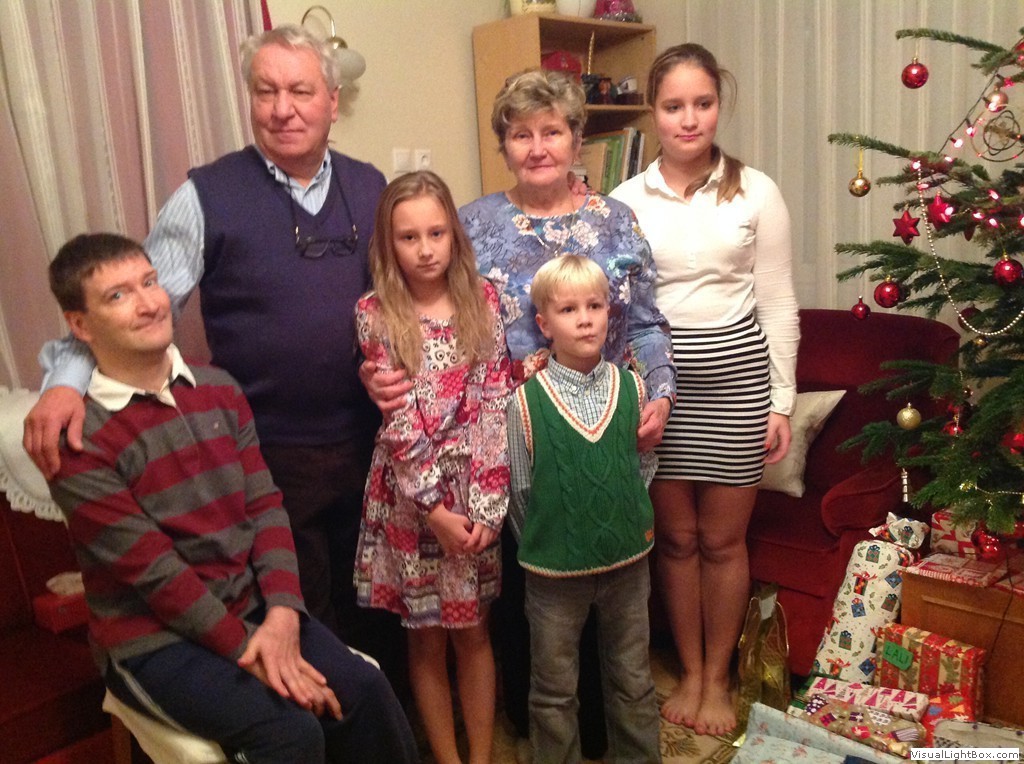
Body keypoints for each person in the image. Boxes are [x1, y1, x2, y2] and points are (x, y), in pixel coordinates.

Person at [23, 25, 398, 672]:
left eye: (301, 91)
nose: (282, 109)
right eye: (266, 91)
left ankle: (389, 721)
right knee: (309, 622)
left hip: (373, 441)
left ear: (333, 102)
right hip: (270, 454)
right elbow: (135, 310)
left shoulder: (372, 187)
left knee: (379, 606)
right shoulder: (207, 195)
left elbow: (406, 305)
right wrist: (63, 381)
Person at [365, 68, 675, 756]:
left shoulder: (616, 221)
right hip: (507, 441)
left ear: (576, 139)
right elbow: (425, 320)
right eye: (521, 134)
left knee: (615, 601)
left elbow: (647, 323)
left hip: (606, 426)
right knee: (537, 604)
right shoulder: (474, 225)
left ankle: (609, 732)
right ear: (504, 144)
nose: (538, 147)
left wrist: (659, 390)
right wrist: (378, 369)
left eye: (552, 132)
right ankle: (539, 732)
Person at [44, 233, 419, 764]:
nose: (149, 303)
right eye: (118, 295)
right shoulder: (78, 438)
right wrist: (249, 652)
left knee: (366, 690)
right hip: (153, 641)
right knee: (291, 732)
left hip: (255, 608)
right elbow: (156, 575)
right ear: (80, 325)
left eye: (150, 282)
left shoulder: (219, 388)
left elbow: (265, 509)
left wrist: (284, 612)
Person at [611, 43, 799, 736]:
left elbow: (777, 302)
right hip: (657, 392)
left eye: (703, 103)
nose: (689, 119)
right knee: (676, 540)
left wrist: (782, 400)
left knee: (721, 541)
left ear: (719, 104)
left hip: (738, 388)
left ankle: (717, 679)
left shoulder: (757, 191)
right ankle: (688, 672)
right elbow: (616, 308)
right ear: (652, 111)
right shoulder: (624, 201)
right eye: (673, 106)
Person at [354, 171, 511, 764]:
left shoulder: (484, 299)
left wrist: (488, 505)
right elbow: (398, 422)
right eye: (409, 237)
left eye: (437, 233)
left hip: (475, 491)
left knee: (474, 632)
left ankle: (481, 757)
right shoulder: (375, 313)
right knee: (426, 640)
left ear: (454, 235)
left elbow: (495, 400)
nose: (425, 249)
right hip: (412, 499)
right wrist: (436, 511)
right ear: (388, 243)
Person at [507, 255, 661, 763]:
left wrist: (625, 517)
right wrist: (551, 541)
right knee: (554, 692)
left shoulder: (632, 387)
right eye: (569, 309)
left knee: (633, 680)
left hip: (628, 566)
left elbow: (643, 466)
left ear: (609, 312)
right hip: (553, 576)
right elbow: (520, 492)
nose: (585, 319)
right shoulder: (524, 402)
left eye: (594, 306)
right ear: (544, 324)